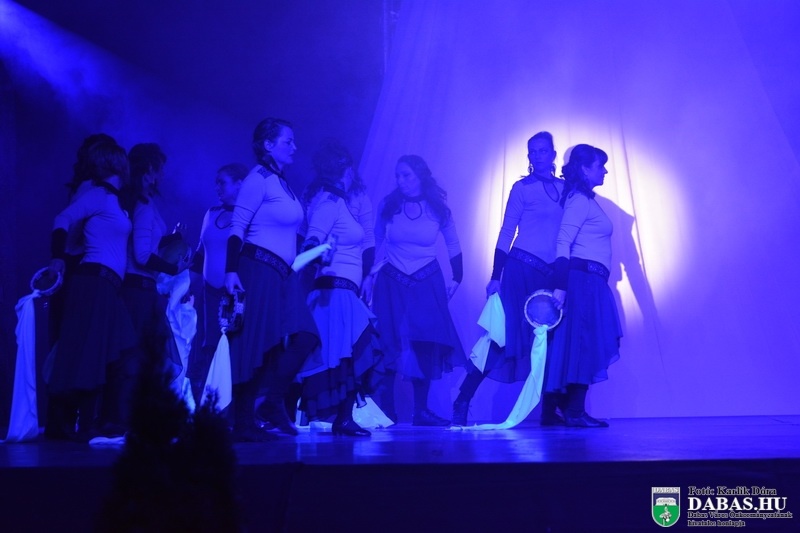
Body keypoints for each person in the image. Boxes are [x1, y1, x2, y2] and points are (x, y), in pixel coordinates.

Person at [452, 132, 566, 426]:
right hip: (520, 270)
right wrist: (495, 276)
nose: (537, 156)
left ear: (553, 154)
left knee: (550, 339)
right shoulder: (521, 188)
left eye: (542, 151)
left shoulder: (565, 189)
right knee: (503, 336)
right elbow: (506, 232)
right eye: (532, 152)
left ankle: (549, 411)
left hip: (549, 274)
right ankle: (463, 398)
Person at [224, 117, 319, 441]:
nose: (294, 147)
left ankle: (271, 402)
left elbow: (285, 231)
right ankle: (243, 422)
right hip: (258, 268)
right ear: (268, 144)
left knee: (304, 336)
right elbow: (237, 227)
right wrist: (231, 271)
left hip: (282, 274)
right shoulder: (258, 179)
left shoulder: (281, 183)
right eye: (287, 141)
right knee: (257, 343)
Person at [363, 155, 465, 426]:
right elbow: (375, 239)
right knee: (388, 340)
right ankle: (387, 410)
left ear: (420, 175)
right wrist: (368, 275)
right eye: (398, 175)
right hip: (392, 278)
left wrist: (458, 277)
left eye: (406, 175)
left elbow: (453, 244)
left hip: (426, 278)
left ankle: (420, 410)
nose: (401, 180)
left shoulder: (438, 208)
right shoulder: (389, 204)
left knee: (425, 341)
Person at [45, 138, 136, 441]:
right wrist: (58, 256)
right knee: (93, 351)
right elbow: (62, 218)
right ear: (117, 164)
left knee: (117, 348)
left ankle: (97, 420)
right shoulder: (98, 194)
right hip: (94, 281)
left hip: (108, 285)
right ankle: (84, 424)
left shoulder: (113, 200)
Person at [296, 140, 378, 437]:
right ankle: (337, 417)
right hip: (333, 290)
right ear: (343, 170)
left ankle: (343, 418)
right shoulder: (329, 202)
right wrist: (320, 254)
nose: (353, 172)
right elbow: (311, 241)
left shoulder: (339, 200)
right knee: (345, 351)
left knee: (348, 353)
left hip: (344, 289)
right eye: (349, 167)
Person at [115, 143, 187, 434]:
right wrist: (174, 268)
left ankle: (131, 416)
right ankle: (127, 419)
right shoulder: (143, 205)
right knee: (137, 355)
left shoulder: (138, 202)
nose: (162, 175)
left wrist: (170, 239)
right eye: (159, 169)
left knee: (138, 355)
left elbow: (146, 245)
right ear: (149, 172)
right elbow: (143, 255)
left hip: (138, 287)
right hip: (138, 289)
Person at [548, 144, 622, 428]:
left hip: (591, 280)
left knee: (583, 342)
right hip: (583, 280)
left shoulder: (587, 200)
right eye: (600, 165)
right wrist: (561, 286)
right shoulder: (579, 200)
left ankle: (569, 409)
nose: (604, 170)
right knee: (584, 342)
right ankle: (574, 411)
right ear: (584, 168)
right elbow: (563, 241)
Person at [48, 133, 117, 348]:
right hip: (78, 266)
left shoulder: (96, 189)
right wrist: (60, 255)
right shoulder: (91, 188)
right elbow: (68, 227)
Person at [190, 163, 247, 396]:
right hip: (207, 293)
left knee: (230, 349)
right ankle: (204, 403)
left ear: (239, 184)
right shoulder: (211, 213)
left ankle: (229, 405)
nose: (217, 187)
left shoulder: (249, 217)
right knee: (206, 346)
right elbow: (200, 253)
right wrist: (188, 285)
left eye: (222, 182)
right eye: (216, 183)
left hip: (234, 294)